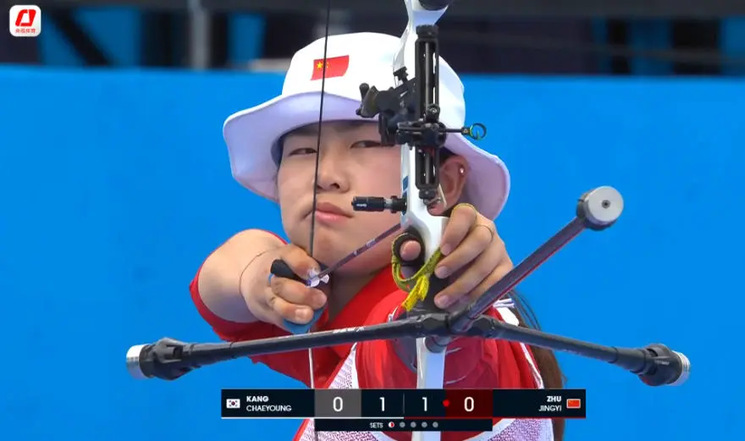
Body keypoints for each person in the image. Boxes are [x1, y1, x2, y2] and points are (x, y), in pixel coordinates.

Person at [190, 32, 565, 441]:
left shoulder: (426, 315)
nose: (324, 176)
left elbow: (428, 369)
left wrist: (447, 312)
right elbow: (218, 287)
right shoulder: (321, 310)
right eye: (303, 151)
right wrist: (256, 276)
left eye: (366, 143)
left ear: (442, 183)